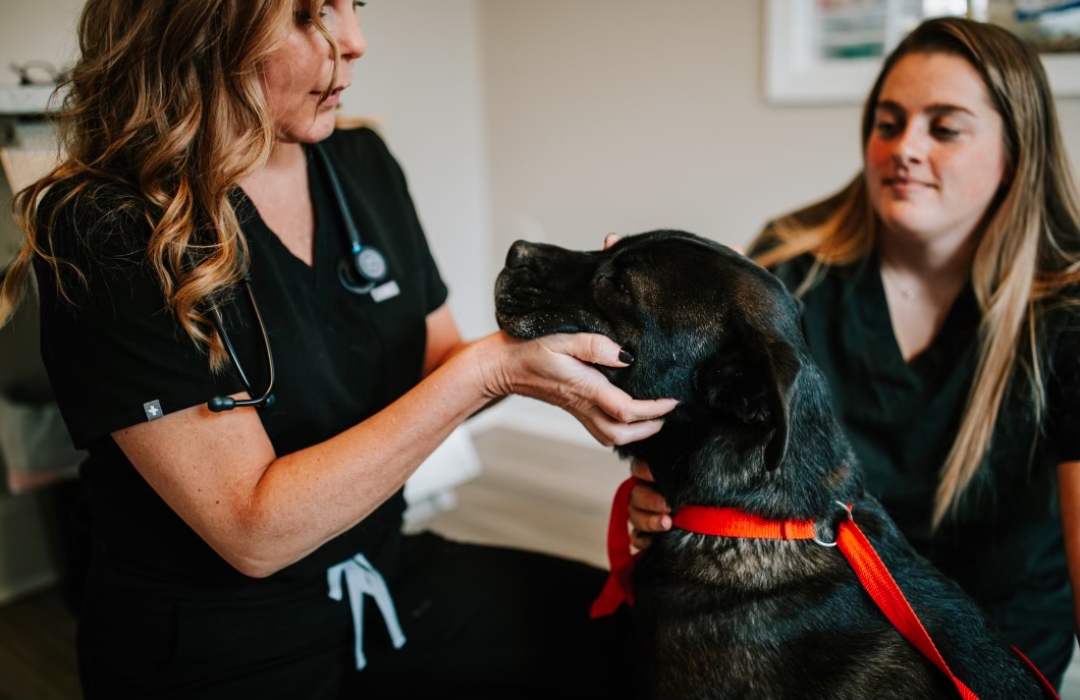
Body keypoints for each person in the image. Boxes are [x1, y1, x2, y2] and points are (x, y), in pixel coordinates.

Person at [0, 1, 679, 698]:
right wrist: (493, 372)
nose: (355, 43)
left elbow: (437, 366)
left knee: (646, 632)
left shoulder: (361, 164)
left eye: (353, 6)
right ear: (196, 27)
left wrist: (570, 356)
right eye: (306, 12)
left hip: (378, 574)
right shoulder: (106, 228)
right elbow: (252, 532)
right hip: (220, 646)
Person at [626, 16, 1080, 689]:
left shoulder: (1066, 319)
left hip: (985, 661)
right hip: (811, 643)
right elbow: (704, 456)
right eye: (888, 122)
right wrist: (660, 496)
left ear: (1018, 150)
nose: (905, 148)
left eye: (945, 128)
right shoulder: (788, 272)